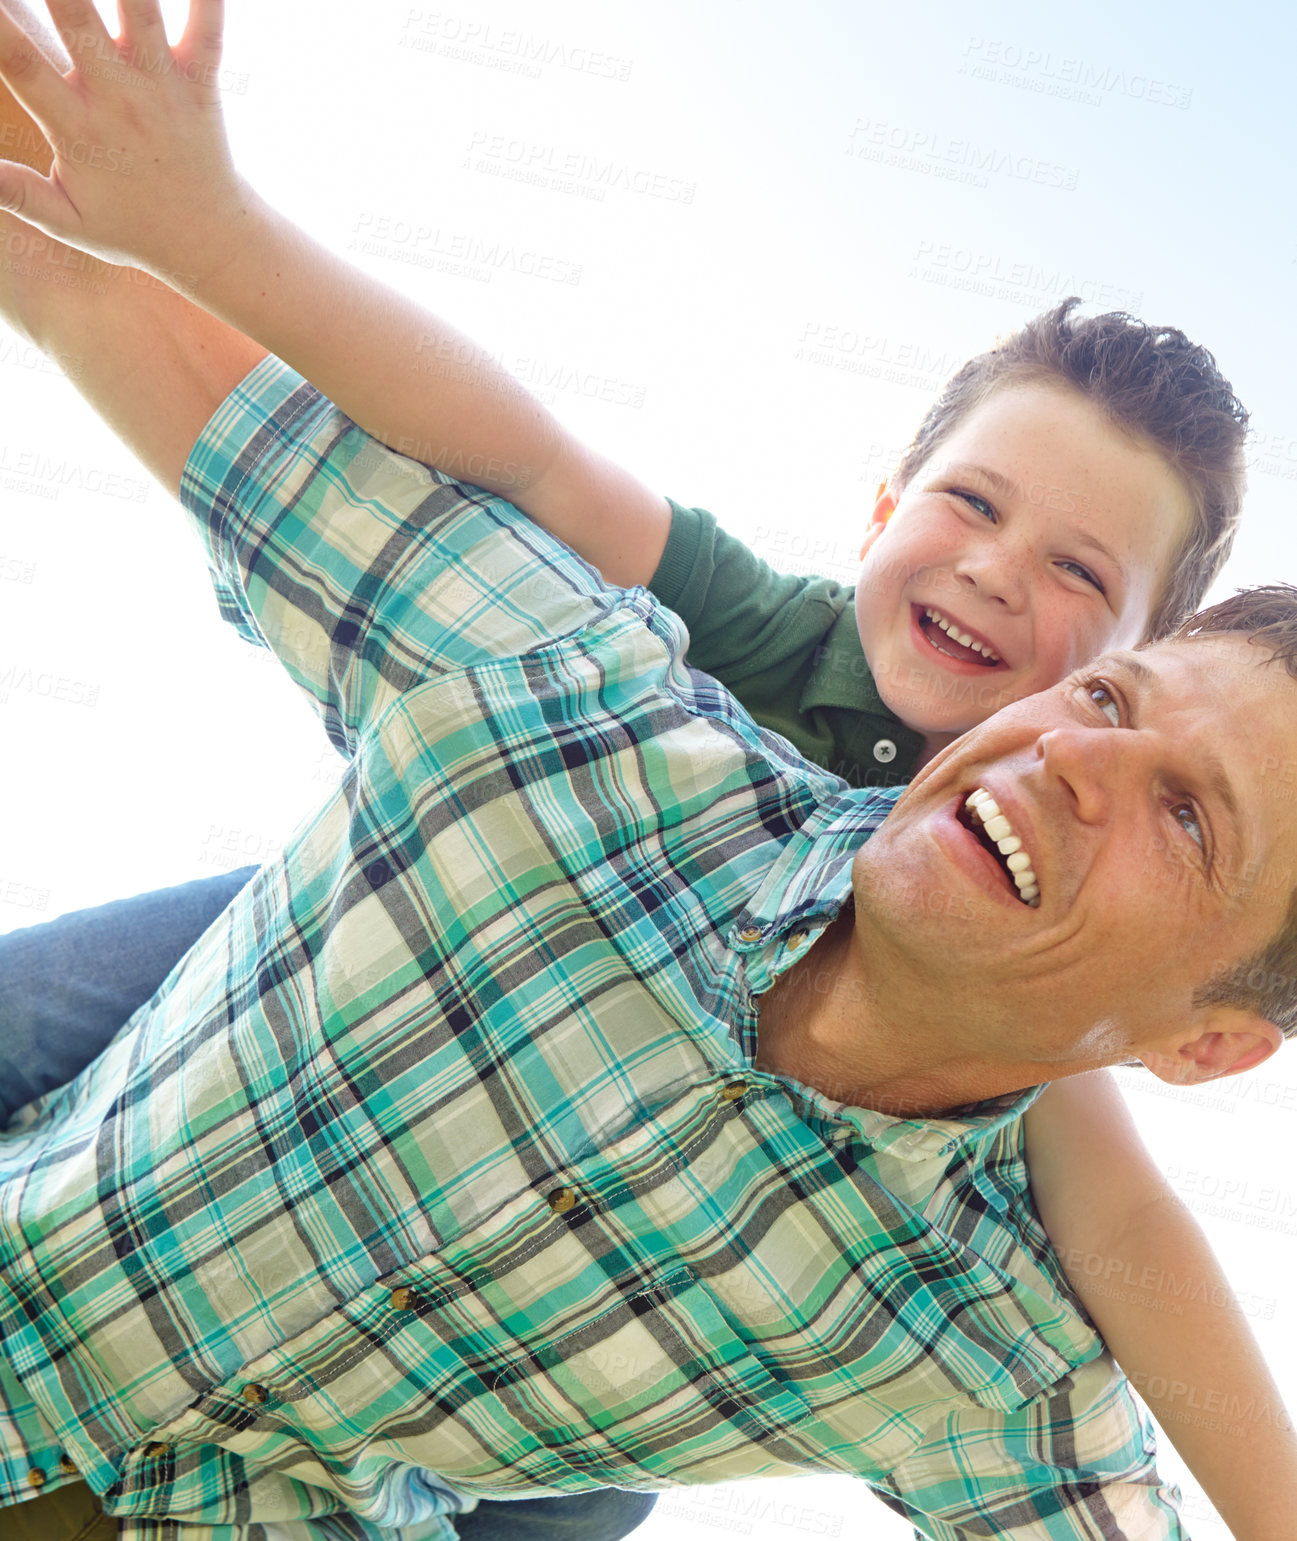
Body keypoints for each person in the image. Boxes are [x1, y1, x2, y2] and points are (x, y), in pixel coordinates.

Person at [0, 4, 1294, 1539]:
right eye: (1106, 702)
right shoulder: (613, 685)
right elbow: (529, 466)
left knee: (593, 1474)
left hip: (598, 1330)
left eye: (1185, 812)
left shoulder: (978, 1248)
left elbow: (1121, 1220)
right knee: (69, 1015)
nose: (1002, 583)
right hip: (427, 909)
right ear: (882, 511)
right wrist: (191, 228)